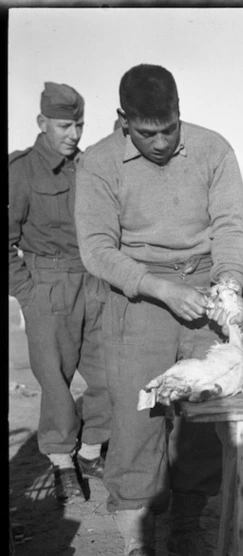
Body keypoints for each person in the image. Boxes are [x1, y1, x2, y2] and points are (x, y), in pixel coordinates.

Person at [74, 64, 243, 556]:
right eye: (145, 133)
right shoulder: (99, 162)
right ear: (124, 120)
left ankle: (187, 531)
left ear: (179, 111)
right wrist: (160, 290)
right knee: (138, 421)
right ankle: (137, 550)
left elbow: (230, 226)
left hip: (204, 294)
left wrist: (228, 282)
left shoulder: (214, 150)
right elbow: (98, 250)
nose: (159, 142)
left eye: (168, 129)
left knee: (202, 420)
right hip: (138, 300)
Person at [9, 82, 111, 504]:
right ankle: (62, 462)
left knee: (109, 376)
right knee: (54, 381)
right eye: (65, 125)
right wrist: (27, 292)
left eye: (80, 125)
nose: (74, 133)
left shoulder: (89, 167)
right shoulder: (21, 171)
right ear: (42, 123)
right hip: (47, 285)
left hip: (93, 282)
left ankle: (89, 452)